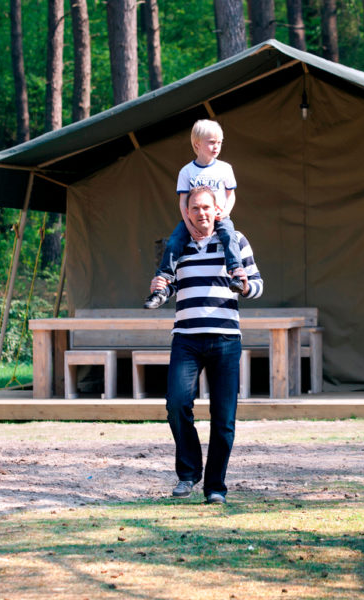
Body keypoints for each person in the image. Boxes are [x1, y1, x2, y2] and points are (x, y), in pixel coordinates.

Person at [150, 185, 263, 504]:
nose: (201, 213)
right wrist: (160, 285)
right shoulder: (178, 244)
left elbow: (257, 285)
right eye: (194, 208)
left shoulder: (236, 240)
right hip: (185, 338)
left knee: (223, 417)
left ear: (218, 210)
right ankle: (188, 474)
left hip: (225, 339)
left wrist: (243, 287)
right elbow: (168, 286)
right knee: (176, 404)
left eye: (206, 207)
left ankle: (215, 487)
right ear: (186, 212)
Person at [144, 119, 244, 309]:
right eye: (211, 142)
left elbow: (231, 195)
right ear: (197, 144)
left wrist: (225, 213)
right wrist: (189, 225)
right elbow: (183, 202)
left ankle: (236, 274)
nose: (216, 147)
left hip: (219, 218)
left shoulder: (225, 168)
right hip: (193, 220)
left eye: (220, 142)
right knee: (174, 242)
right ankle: (162, 282)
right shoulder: (187, 171)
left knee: (230, 236)